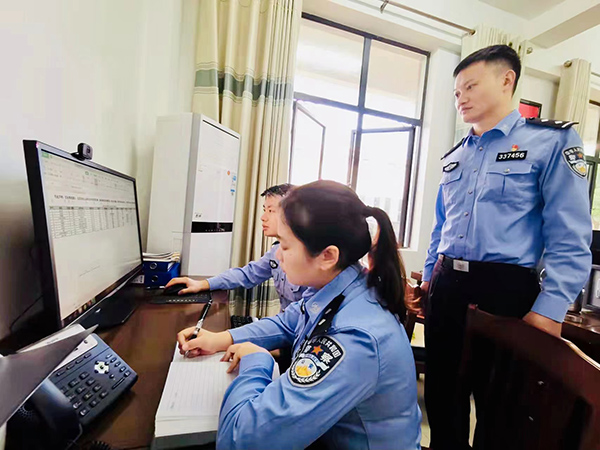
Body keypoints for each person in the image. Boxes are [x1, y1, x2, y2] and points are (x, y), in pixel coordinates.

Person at [416, 44, 592, 449]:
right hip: (447, 286)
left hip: (506, 291)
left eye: (470, 86)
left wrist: (551, 307)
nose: (460, 98)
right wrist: (428, 279)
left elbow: (569, 233)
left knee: (502, 407)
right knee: (443, 397)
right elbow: (441, 225)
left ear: (506, 80)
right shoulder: (456, 155)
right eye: (456, 92)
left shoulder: (550, 141)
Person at [177, 180, 422, 450]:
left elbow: (240, 441)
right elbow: (288, 322)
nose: (278, 256)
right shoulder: (343, 284)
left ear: (327, 256)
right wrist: (220, 339)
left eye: (284, 246)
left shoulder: (356, 338)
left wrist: (258, 360)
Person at [166, 183, 306, 312]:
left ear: (292, 215)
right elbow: (247, 274)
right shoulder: (276, 251)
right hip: (285, 324)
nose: (263, 217)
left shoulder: (309, 257)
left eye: (271, 211)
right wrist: (203, 284)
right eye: (264, 210)